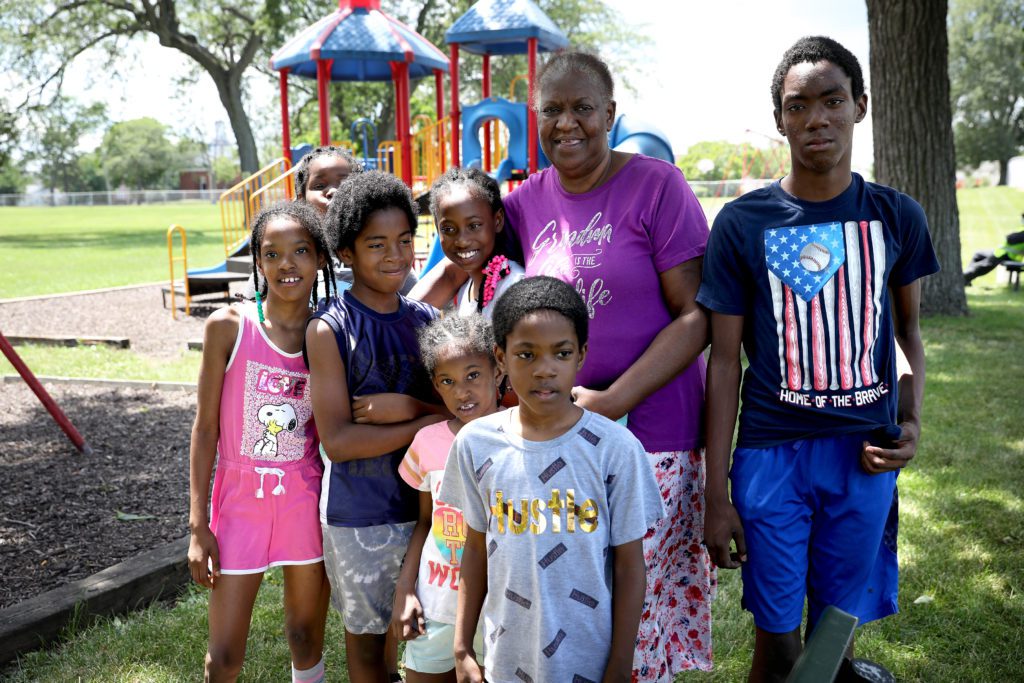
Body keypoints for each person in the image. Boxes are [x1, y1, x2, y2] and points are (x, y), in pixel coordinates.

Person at [411, 50, 715, 680]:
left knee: (636, 610)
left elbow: (695, 317)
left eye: (583, 108)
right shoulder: (524, 203)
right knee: (564, 607)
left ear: (610, 113)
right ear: (536, 117)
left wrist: (612, 400)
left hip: (652, 435)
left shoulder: (659, 186)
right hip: (552, 437)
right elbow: (463, 257)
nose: (567, 123)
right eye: (552, 109)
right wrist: (394, 312)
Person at [698, 36, 940, 682]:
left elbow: (907, 331)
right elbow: (724, 363)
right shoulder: (744, 223)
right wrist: (713, 490)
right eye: (798, 105)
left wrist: (911, 419)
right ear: (780, 119)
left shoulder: (895, 215)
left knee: (833, 634)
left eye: (832, 100)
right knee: (778, 642)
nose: (816, 119)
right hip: (772, 455)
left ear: (860, 105)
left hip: (863, 455)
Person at [439, 276, 664, 683]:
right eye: (526, 354)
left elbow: (631, 568)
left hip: (590, 663)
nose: (544, 369)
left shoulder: (616, 449)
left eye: (560, 353)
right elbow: (475, 551)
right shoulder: (476, 444)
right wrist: (461, 647)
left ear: (580, 356)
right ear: (501, 358)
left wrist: (619, 664)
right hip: (506, 659)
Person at [303, 170, 447, 683]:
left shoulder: (428, 321)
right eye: (377, 244)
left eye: (405, 241)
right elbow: (339, 443)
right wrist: (422, 422)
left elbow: (455, 412)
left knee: (423, 649)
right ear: (346, 252)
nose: (395, 256)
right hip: (361, 516)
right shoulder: (328, 329)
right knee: (368, 656)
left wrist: (408, 407)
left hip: (431, 512)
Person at [187, 201, 336, 683]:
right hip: (239, 499)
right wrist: (197, 525)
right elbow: (205, 427)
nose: (287, 265)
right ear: (257, 260)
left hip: (304, 497)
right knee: (225, 655)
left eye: (300, 252)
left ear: (320, 259)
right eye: (272, 254)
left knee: (304, 637)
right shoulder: (229, 326)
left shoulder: (328, 333)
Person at [391, 314, 501, 682]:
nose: (462, 391)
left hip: (498, 610)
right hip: (435, 607)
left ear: (499, 368)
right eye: (448, 382)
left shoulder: (521, 435)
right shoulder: (428, 441)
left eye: (473, 375)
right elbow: (426, 522)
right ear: (436, 387)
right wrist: (405, 591)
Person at [294, 145, 417, 299]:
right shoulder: (289, 248)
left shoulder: (377, 247)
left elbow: (414, 301)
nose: (333, 191)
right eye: (320, 186)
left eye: (344, 184)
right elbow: (257, 299)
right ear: (301, 199)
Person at [429, 167, 525, 317]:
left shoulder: (514, 288)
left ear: (497, 221)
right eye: (448, 229)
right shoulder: (466, 289)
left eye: (474, 226)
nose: (462, 241)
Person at [962, 216, 1024, 285]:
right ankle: (966, 279)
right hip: (1001, 252)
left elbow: (1010, 238)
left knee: (982, 266)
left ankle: (963, 278)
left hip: (1009, 256)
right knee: (978, 254)